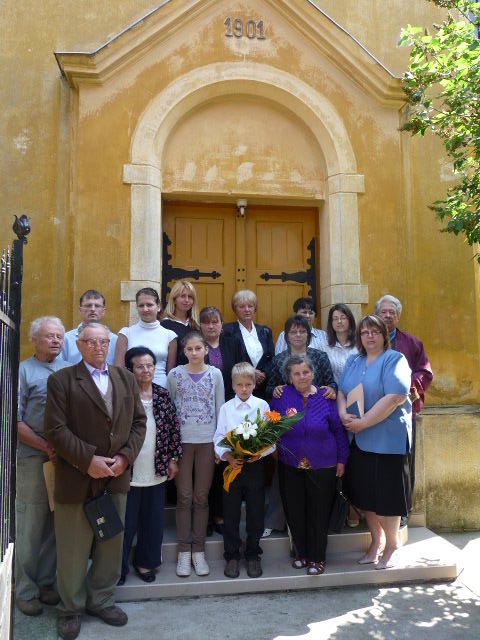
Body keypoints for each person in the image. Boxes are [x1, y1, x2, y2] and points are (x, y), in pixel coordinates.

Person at [45, 322, 146, 640]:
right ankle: (70, 609)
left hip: (115, 476)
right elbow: (55, 429)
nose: (99, 347)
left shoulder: (125, 378)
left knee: (110, 545)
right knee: (73, 549)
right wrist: (88, 460)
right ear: (78, 344)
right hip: (77, 477)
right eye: (91, 342)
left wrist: (125, 458)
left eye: (103, 341)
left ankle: (101, 600)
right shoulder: (61, 380)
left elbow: (139, 423)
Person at [337, 314, 412, 570]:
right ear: (359, 337)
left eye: (375, 331)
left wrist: (363, 422)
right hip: (358, 440)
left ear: (384, 335)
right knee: (365, 495)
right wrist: (342, 414)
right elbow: (341, 391)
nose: (369, 336)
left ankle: (392, 546)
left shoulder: (395, 359)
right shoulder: (354, 360)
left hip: (386, 441)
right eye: (364, 332)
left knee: (387, 498)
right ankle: (376, 542)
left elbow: (396, 396)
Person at [270, 355, 349, 575]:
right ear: (289, 376)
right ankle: (302, 554)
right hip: (290, 464)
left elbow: (338, 431)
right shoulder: (281, 396)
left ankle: (317, 557)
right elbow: (270, 426)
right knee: (295, 511)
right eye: (296, 373)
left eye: (306, 372)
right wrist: (274, 450)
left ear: (313, 373)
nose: (302, 377)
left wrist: (342, 460)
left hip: (323, 464)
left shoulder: (326, 396)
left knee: (319, 513)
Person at [15, 317, 70, 616]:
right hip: (34, 458)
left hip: (64, 460)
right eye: (49, 336)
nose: (56, 340)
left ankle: (47, 583)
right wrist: (45, 446)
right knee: (31, 526)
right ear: (34, 339)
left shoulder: (69, 370)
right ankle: (25, 589)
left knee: (55, 524)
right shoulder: (22, 371)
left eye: (59, 336)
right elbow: (14, 420)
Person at [119, 347, 182, 585]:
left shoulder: (162, 395)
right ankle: (118, 568)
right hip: (128, 470)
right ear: (130, 370)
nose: (146, 370)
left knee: (152, 522)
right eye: (140, 366)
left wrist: (173, 459)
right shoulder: (122, 395)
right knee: (125, 523)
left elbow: (174, 429)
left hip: (156, 467)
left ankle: (146, 563)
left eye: (149, 365)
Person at [167, 331, 225, 578]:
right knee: (184, 497)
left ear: (206, 350)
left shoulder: (215, 375)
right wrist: (170, 449)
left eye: (198, 348)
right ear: (184, 351)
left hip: (206, 442)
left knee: (201, 497)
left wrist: (220, 446)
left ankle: (198, 551)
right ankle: (183, 551)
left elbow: (221, 410)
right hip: (182, 443)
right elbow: (169, 412)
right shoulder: (174, 375)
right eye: (189, 349)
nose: (193, 353)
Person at [214, 363, 273, 579]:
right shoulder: (226, 408)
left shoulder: (262, 405)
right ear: (233, 385)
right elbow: (219, 437)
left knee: (255, 511)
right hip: (232, 466)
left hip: (254, 467)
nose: (244, 389)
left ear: (254, 384)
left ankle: (253, 554)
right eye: (239, 385)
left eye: (248, 384)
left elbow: (271, 438)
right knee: (230, 513)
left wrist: (261, 453)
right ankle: (232, 555)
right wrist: (228, 456)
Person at [375, 294, 433, 502]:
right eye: (384, 312)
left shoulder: (412, 342)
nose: (388, 315)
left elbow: (425, 373)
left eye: (392, 312)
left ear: (398, 316)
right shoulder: (367, 341)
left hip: (403, 411)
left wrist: (404, 386)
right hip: (373, 412)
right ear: (377, 315)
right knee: (376, 460)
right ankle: (377, 505)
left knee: (403, 461)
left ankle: (404, 508)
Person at [199, 305, 244, 536]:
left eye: (215, 321)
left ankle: (219, 515)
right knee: (206, 465)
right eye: (206, 322)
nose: (211, 326)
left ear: (221, 324)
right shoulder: (196, 345)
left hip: (229, 411)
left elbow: (242, 371)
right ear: (200, 325)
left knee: (223, 463)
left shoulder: (232, 343)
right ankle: (204, 517)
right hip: (203, 412)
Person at [114, 287, 177, 387]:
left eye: (149, 305)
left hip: (162, 390)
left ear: (158, 307)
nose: (145, 309)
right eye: (141, 305)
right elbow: (118, 371)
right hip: (133, 389)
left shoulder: (170, 336)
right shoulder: (125, 334)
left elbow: (170, 373)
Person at [266, 314, 337, 400]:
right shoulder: (278, 360)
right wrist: (275, 390)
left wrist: (331, 389)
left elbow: (331, 384)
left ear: (308, 335)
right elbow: (269, 389)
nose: (298, 335)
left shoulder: (320, 356)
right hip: (288, 405)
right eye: (293, 332)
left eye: (302, 331)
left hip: (317, 403)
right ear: (287, 336)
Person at [223, 289, 274, 400]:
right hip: (239, 387)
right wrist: (250, 371)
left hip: (263, 388)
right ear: (235, 309)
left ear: (255, 308)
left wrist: (264, 373)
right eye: (241, 306)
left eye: (250, 306)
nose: (247, 310)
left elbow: (271, 357)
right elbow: (228, 358)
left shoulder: (265, 331)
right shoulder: (227, 331)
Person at [62, 289, 117, 364]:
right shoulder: (66, 339)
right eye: (88, 305)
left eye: (97, 306)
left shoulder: (114, 340)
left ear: (103, 311)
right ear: (80, 310)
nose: (93, 309)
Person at [161, 280, 200, 365]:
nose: (187, 300)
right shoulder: (164, 325)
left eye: (190, 297)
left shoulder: (197, 325)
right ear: (174, 300)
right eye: (183, 296)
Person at [323, 303, 358, 383]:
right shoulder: (324, 346)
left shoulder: (359, 344)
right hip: (332, 389)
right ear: (331, 322)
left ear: (350, 320)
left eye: (343, 318)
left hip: (357, 389)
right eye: (335, 319)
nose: (339, 321)